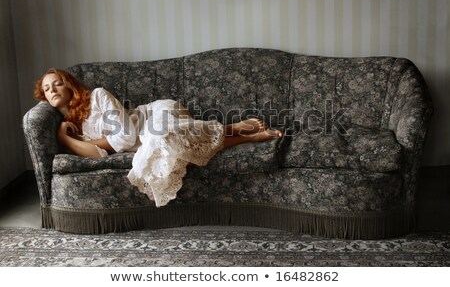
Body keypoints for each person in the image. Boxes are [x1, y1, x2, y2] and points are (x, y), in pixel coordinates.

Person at [34, 68, 283, 206]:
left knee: (159, 135)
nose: (51, 90)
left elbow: (126, 137)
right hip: (153, 138)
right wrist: (65, 139)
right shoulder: (71, 128)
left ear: (70, 86)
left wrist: (78, 143)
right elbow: (99, 155)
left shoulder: (98, 96)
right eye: (46, 89)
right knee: (169, 145)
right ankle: (246, 135)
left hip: (155, 114)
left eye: (56, 83)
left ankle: (240, 127)